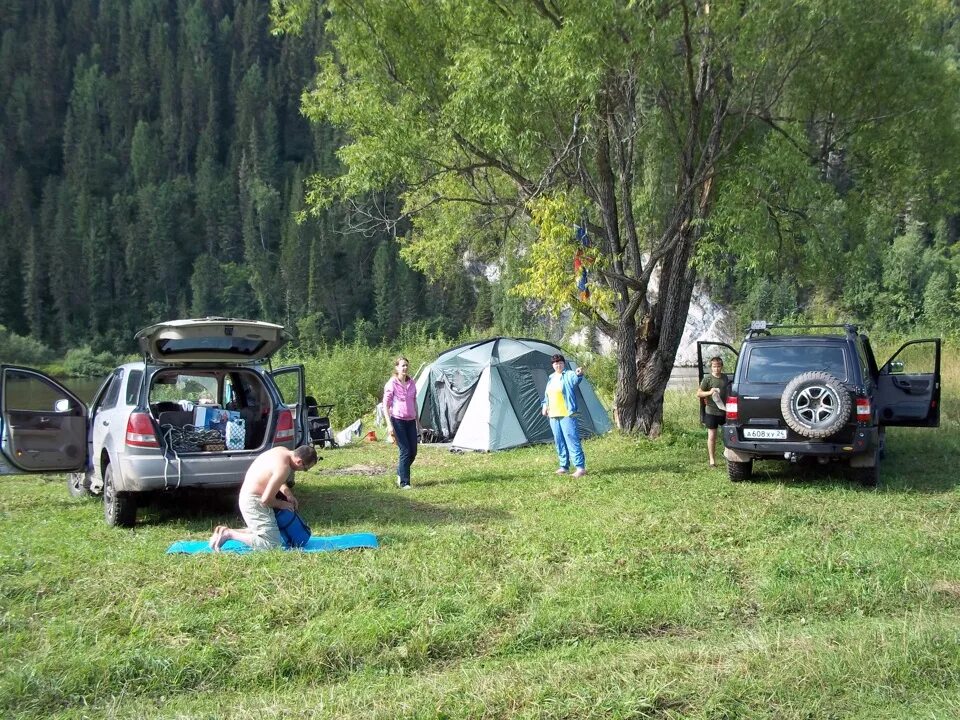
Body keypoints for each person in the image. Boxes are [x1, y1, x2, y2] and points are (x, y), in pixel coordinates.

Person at [209, 445, 318, 551]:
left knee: (271, 532)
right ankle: (229, 534)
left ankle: (224, 531)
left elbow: (276, 478)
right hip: (253, 501)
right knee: (272, 544)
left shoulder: (281, 450)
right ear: (299, 461)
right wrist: (283, 504)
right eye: (305, 469)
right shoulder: (284, 468)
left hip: (249, 496)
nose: (302, 471)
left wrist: (288, 494)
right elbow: (266, 500)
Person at [541, 353, 587, 477]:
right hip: (553, 415)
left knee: (572, 440)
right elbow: (547, 395)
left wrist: (579, 373)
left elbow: (575, 380)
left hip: (567, 414)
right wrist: (544, 405)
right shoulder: (551, 377)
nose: (558, 365)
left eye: (560, 363)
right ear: (552, 365)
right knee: (559, 441)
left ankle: (580, 468)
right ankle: (564, 466)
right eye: (556, 363)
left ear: (563, 364)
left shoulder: (569, 374)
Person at [384, 356, 420, 489]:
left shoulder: (412, 383)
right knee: (405, 450)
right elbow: (385, 405)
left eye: (406, 365)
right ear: (397, 368)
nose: (405, 368)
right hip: (397, 420)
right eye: (402, 365)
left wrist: (418, 422)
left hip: (410, 420)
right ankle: (404, 482)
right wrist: (389, 425)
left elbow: (414, 402)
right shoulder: (392, 383)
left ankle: (400, 471)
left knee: (413, 452)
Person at [696, 356, 729, 467]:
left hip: (725, 411)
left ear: (722, 367)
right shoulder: (707, 379)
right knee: (712, 437)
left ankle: (728, 457)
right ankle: (712, 460)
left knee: (727, 435)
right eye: (714, 366)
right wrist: (709, 392)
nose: (716, 369)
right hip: (711, 412)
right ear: (711, 367)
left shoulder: (725, 378)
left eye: (718, 366)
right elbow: (699, 393)